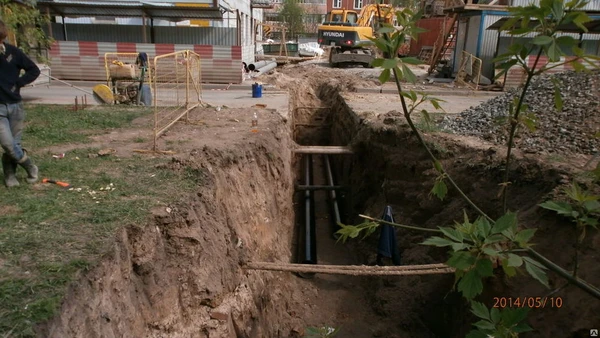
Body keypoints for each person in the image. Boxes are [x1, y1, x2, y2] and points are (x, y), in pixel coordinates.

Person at [0, 19, 40, 187]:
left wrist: (19, 83)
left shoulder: (12, 52)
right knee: (8, 144)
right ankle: (30, 166)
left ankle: (10, 176)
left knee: (14, 144)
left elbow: (34, 70)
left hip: (15, 105)